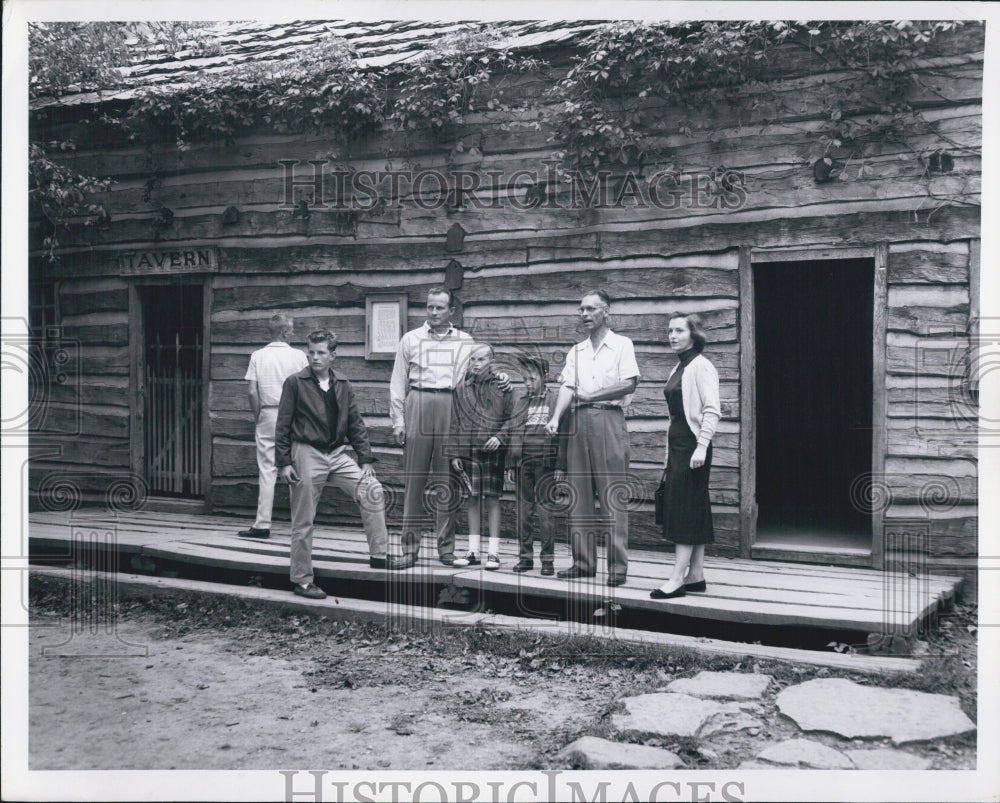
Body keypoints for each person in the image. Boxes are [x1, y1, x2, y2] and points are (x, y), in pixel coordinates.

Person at [276, 330, 392, 599]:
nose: (315, 357)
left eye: (321, 353)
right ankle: (302, 580)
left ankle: (379, 557)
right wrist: (284, 462)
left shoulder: (342, 383)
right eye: (312, 352)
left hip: (337, 454)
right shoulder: (295, 383)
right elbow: (282, 425)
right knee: (303, 519)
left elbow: (355, 423)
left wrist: (364, 459)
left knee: (372, 490)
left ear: (332, 356)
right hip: (306, 451)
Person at [545, 290, 640, 587]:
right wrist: (556, 418)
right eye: (581, 310)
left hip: (608, 420)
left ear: (606, 311)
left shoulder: (622, 345)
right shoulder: (577, 351)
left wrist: (592, 395)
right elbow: (568, 388)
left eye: (590, 309)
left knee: (612, 495)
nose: (584, 314)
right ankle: (583, 562)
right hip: (578, 421)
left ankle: (617, 568)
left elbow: (628, 383)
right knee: (579, 495)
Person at [388, 287, 474, 568]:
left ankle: (446, 549)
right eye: (430, 307)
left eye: (439, 308)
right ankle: (409, 549)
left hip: (451, 404)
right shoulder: (410, 339)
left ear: (452, 311)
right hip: (419, 402)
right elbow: (398, 381)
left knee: (448, 480)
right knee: (415, 479)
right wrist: (398, 420)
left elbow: (476, 377)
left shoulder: (465, 341)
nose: (434, 312)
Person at [650, 312, 720, 600]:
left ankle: (677, 579)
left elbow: (712, 410)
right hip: (679, 445)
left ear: (694, 334)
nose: (673, 336)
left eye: (679, 330)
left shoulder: (701, 366)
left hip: (693, 446)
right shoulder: (679, 367)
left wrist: (702, 446)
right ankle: (696, 575)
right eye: (669, 331)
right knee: (694, 506)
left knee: (683, 509)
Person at [238, 314, 308, 539]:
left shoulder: (258, 356)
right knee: (293, 467)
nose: (294, 333)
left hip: (268, 412)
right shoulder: (299, 356)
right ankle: (299, 524)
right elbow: (307, 389)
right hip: (293, 416)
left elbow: (251, 391)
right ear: (285, 332)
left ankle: (262, 525)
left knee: (267, 470)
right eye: (293, 329)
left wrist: (258, 415)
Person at [446, 343, 513, 570]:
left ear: (491, 362)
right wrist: (455, 453)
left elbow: (511, 418)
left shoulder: (502, 386)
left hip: (493, 450)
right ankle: (473, 551)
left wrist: (500, 437)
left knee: (493, 499)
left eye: (481, 360)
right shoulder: (461, 388)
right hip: (468, 452)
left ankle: (493, 553)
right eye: (473, 359)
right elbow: (454, 422)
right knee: (472, 499)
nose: (476, 364)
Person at [505, 354, 563, 576]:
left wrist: (561, 465)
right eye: (524, 379)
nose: (527, 384)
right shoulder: (520, 401)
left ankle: (547, 561)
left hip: (545, 464)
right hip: (523, 464)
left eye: (532, 378)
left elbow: (563, 433)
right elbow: (513, 433)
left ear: (544, 376)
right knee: (523, 512)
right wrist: (511, 464)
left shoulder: (555, 401)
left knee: (545, 512)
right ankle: (525, 558)